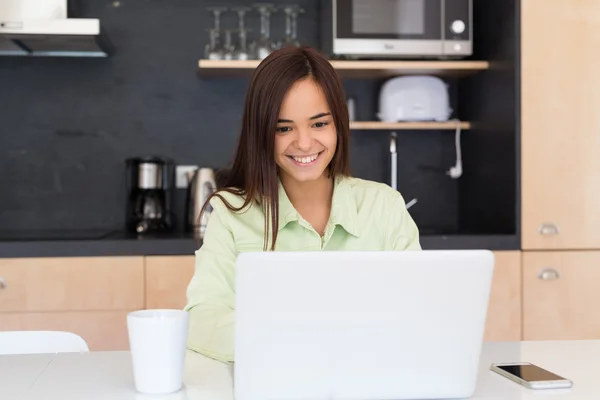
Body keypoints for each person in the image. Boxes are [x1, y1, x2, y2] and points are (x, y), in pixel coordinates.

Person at [184, 45, 421, 364]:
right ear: (261, 133)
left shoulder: (385, 207)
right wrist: (305, 340)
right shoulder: (230, 213)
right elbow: (203, 322)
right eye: (283, 128)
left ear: (339, 123)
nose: (305, 143)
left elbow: (418, 314)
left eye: (319, 124)